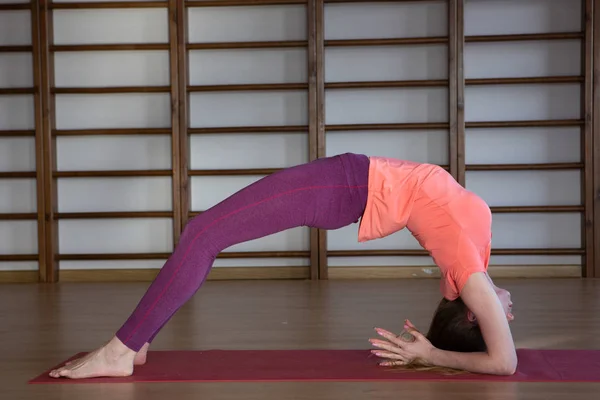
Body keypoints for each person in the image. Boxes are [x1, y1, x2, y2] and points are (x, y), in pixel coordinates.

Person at [49, 153, 516, 379]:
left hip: (344, 188)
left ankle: (121, 351)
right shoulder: (475, 258)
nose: (511, 316)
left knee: (203, 235)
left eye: (503, 320)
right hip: (347, 181)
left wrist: (432, 355)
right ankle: (140, 341)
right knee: (205, 234)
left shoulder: (467, 270)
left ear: (475, 314)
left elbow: (505, 361)